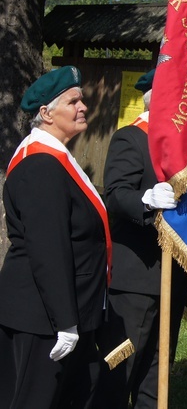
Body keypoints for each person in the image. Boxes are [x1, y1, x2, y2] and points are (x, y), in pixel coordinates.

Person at [0, 66, 108, 408]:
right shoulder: (41, 165)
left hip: (63, 311)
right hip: (43, 316)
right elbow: (48, 248)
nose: (83, 106)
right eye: (73, 101)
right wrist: (65, 321)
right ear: (45, 113)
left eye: (81, 99)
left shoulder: (57, 158)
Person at [93, 69, 187, 409]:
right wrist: (146, 199)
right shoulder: (131, 138)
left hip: (171, 274)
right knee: (122, 370)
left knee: (157, 371)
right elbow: (117, 194)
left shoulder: (184, 145)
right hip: (136, 277)